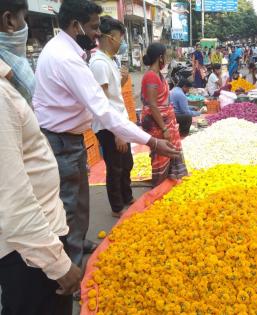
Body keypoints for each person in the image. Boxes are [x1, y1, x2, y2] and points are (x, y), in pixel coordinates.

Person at [33, 0, 179, 267]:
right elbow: (104, 109)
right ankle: (70, 267)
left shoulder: (68, 52)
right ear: (74, 25)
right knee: (70, 204)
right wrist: (152, 140)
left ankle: (77, 242)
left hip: (68, 135)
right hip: (62, 138)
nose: (96, 35)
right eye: (92, 28)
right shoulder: (66, 59)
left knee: (79, 200)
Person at [0, 1, 81, 314]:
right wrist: (58, 264)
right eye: (24, 21)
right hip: (28, 256)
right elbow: (12, 198)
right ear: (9, 21)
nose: (25, 29)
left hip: (29, 246)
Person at [89, 16, 134, 218]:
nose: (121, 42)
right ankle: (117, 207)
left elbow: (113, 93)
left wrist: (122, 80)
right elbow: (103, 103)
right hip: (109, 126)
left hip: (119, 121)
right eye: (119, 38)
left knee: (127, 163)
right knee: (115, 167)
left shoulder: (109, 60)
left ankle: (127, 196)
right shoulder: (98, 63)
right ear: (109, 37)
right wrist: (117, 133)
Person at [141, 43, 189, 186]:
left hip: (165, 119)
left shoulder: (157, 75)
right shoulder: (151, 76)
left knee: (167, 151)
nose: (167, 59)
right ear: (160, 57)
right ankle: (160, 185)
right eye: (166, 56)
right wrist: (165, 128)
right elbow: (153, 105)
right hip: (157, 122)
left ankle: (167, 183)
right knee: (161, 154)